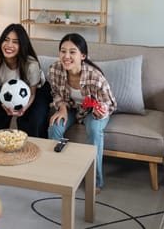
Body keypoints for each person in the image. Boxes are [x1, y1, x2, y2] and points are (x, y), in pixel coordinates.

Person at [47, 33, 116, 192]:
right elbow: (56, 93)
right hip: (70, 107)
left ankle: (95, 181)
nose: (66, 56)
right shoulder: (55, 69)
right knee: (55, 126)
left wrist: (101, 111)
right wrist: (62, 109)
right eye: (63, 51)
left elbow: (110, 103)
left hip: (93, 111)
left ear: (83, 55)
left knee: (94, 130)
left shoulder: (95, 77)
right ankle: (58, 175)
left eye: (72, 52)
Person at [0, 23, 51, 138]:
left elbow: (32, 93)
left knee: (33, 119)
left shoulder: (31, 65)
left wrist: (22, 109)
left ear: (22, 45)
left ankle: (31, 149)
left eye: (15, 42)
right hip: (6, 89)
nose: (9, 45)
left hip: (37, 91)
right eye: (6, 40)